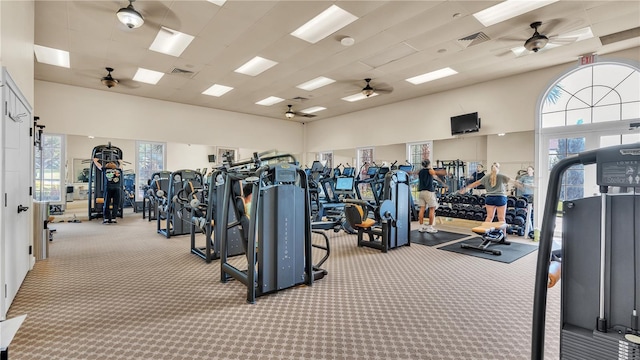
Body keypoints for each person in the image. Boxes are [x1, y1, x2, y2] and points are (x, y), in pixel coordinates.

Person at [417, 159, 448, 233]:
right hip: (428, 192)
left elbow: (435, 176)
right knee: (432, 209)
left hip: (421, 192)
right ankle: (430, 227)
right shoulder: (430, 170)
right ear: (428, 164)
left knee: (422, 209)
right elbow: (436, 174)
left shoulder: (420, 172)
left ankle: (421, 227)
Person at [93, 158, 122, 224]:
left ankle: (106, 218)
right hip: (117, 189)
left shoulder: (105, 170)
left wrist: (95, 161)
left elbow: (98, 166)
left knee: (106, 203)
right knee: (116, 204)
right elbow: (121, 166)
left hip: (108, 188)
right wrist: (121, 162)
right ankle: (113, 218)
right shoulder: (118, 170)